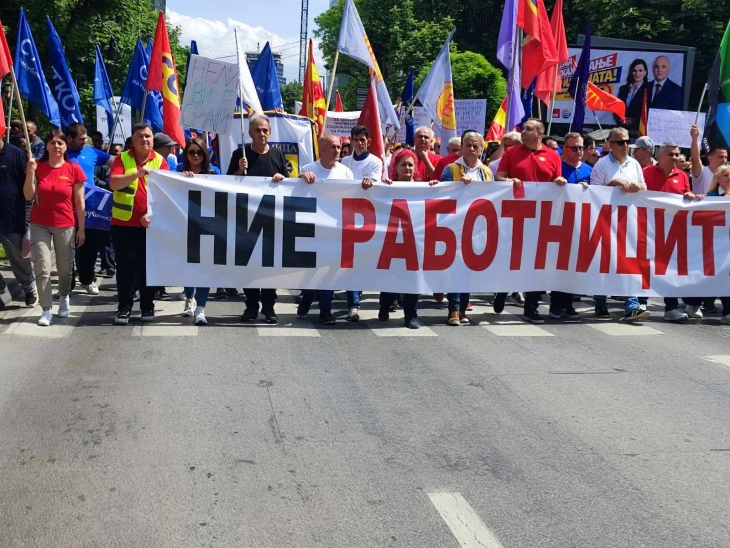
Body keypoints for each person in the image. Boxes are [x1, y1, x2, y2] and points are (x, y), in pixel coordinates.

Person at [494, 118, 567, 324]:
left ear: (539, 134)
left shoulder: (553, 156)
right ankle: (502, 290)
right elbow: (499, 176)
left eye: (528, 129)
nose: (523, 132)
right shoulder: (512, 153)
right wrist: (509, 181)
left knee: (538, 265)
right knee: (512, 259)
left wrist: (560, 182)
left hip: (542, 219)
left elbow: (556, 181)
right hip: (515, 217)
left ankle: (531, 307)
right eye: (523, 128)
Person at [23, 130, 86, 326]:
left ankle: (64, 296)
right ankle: (46, 309)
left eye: (60, 143)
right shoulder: (38, 167)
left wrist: (81, 229)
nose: (56, 146)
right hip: (39, 222)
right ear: (47, 146)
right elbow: (28, 196)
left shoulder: (73, 169)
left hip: (65, 223)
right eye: (53, 143)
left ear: (66, 146)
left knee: (65, 268)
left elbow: (80, 202)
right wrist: (31, 172)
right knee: (42, 267)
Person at [108, 123, 169, 325]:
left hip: (150, 226)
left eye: (148, 136)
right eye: (140, 136)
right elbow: (114, 183)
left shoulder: (161, 161)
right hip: (123, 225)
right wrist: (137, 173)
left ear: (153, 139)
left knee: (147, 269)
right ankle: (124, 308)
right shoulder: (123, 158)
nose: (145, 139)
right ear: (133, 140)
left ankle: (147, 306)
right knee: (125, 269)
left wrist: (152, 214)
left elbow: (166, 195)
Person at [230, 114, 288, 324]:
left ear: (270, 133)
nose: (262, 134)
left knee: (270, 267)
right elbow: (225, 186)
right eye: (258, 130)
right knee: (250, 267)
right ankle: (251, 306)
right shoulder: (240, 154)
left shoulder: (278, 156)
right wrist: (238, 170)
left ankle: (269, 307)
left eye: (265, 130)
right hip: (246, 221)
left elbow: (290, 187)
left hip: (272, 222)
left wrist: (282, 179)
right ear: (250, 133)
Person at [589, 127, 650, 322]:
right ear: (611, 144)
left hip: (630, 220)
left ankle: (631, 305)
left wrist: (636, 186)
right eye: (621, 142)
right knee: (605, 262)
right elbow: (593, 193)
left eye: (627, 142)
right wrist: (612, 183)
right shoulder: (601, 165)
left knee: (627, 261)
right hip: (606, 220)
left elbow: (644, 187)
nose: (625, 146)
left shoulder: (634, 164)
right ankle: (600, 301)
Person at [297, 135, 355, 324]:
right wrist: (300, 179)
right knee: (312, 270)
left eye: (338, 147)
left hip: (335, 230)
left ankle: (325, 310)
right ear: (321, 149)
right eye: (332, 147)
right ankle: (307, 296)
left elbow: (353, 198)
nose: (337, 150)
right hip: (313, 230)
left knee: (329, 271)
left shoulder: (346, 173)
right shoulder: (308, 169)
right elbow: (294, 193)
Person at [437, 131, 493, 326]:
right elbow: (442, 195)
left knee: (469, 269)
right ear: (461, 147)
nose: (471, 149)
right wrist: (459, 186)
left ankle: (462, 309)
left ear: (481, 149)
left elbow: (492, 196)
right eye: (468, 145)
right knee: (456, 269)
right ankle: (453, 309)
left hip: (477, 228)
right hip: (455, 227)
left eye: (475, 145)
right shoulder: (451, 169)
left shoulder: (486, 171)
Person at [377, 148, 437, 329]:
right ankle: (385, 306)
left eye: (411, 165)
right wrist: (381, 186)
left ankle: (410, 315)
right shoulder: (388, 186)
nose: (408, 168)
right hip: (392, 241)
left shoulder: (424, 188)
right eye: (403, 165)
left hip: (415, 242)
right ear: (396, 167)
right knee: (390, 277)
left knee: (413, 279)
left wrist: (436, 187)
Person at [643, 142, 699, 322]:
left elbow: (686, 196)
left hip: (672, 232)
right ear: (659, 155)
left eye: (676, 154)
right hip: (648, 228)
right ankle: (640, 302)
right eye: (670, 154)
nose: (674, 158)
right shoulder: (645, 173)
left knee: (670, 269)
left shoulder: (682, 176)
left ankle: (671, 308)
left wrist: (689, 197)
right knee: (645, 266)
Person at [338, 125, 384, 321]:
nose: (359, 143)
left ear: (369, 142)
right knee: (350, 261)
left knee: (363, 261)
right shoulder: (344, 162)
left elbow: (373, 183)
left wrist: (369, 183)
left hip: (367, 217)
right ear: (351, 140)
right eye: (356, 139)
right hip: (346, 217)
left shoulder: (375, 162)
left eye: (362, 140)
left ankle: (359, 292)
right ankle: (353, 304)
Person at [65, 123, 116, 296]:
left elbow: (115, 162)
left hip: (90, 208)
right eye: (80, 139)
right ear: (69, 138)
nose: (84, 142)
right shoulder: (61, 152)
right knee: (65, 248)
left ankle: (87, 279)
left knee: (88, 247)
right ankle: (67, 284)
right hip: (66, 207)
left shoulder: (91, 152)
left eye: (85, 139)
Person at [178, 138, 219, 326]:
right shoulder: (177, 172)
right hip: (182, 227)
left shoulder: (214, 173)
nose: (195, 155)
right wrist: (181, 179)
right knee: (188, 268)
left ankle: (201, 308)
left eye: (199, 152)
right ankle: (189, 297)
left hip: (207, 229)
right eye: (191, 152)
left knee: (204, 270)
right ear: (186, 154)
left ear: (205, 154)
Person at [0, 137, 37, 306]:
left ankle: (30, 288)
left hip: (11, 216)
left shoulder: (16, 154)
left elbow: (29, 187)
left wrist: (28, 215)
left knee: (18, 257)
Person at [689, 124, 728, 195]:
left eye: (725, 157)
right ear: (710, 158)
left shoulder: (727, 176)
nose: (724, 160)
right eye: (721, 157)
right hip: (701, 206)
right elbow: (695, 159)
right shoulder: (702, 172)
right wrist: (695, 138)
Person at [617, 59, 650, 127]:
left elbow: (649, 111)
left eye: (640, 71)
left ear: (645, 72)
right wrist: (620, 119)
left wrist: (635, 120)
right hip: (623, 129)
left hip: (640, 130)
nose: (637, 74)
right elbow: (617, 108)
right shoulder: (623, 89)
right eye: (634, 71)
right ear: (631, 72)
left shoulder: (650, 89)